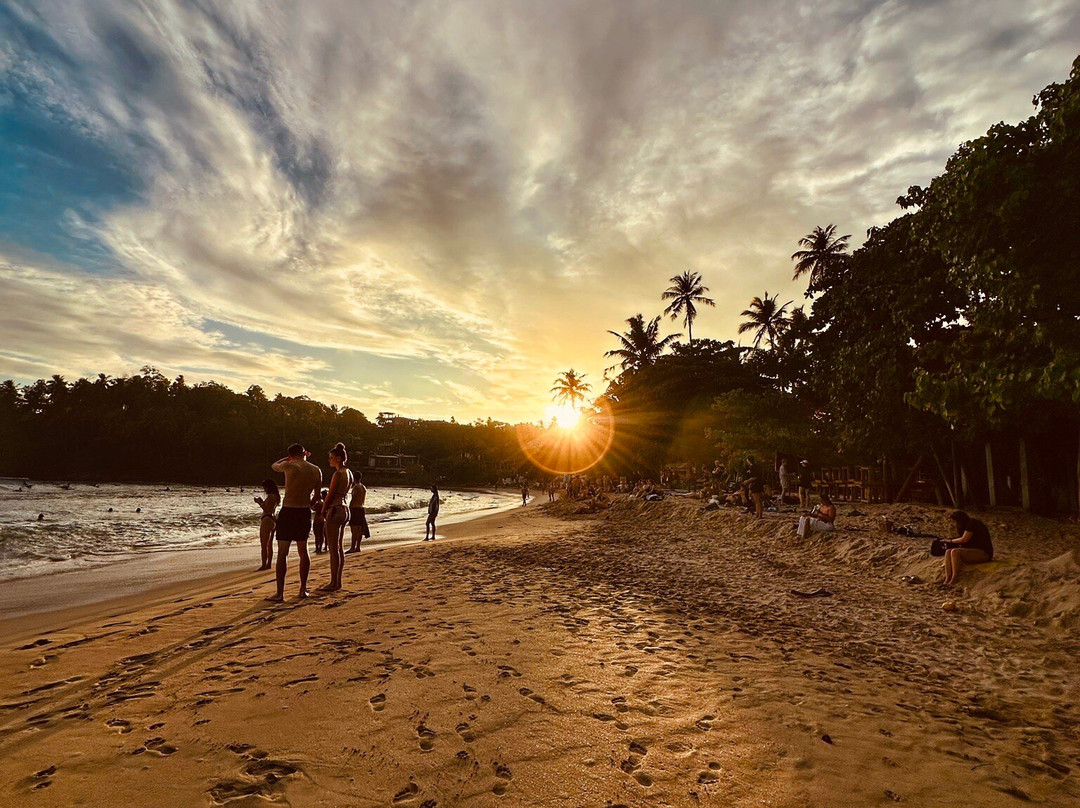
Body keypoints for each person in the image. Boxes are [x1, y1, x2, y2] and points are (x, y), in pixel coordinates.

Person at [268, 443, 322, 601]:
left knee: (282, 553)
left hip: (289, 510)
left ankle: (280, 593)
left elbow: (274, 465)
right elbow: (316, 496)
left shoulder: (289, 465)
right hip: (303, 511)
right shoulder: (316, 470)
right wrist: (309, 504)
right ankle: (303, 589)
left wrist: (288, 458)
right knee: (303, 552)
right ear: (304, 452)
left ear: (291, 455)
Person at [320, 443, 353, 592]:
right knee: (339, 548)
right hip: (345, 509)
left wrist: (323, 509)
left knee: (333, 548)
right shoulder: (349, 473)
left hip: (335, 509)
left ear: (338, 458)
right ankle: (337, 581)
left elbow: (330, 494)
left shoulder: (338, 473)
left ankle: (333, 582)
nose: (330, 461)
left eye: (331, 458)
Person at [943, 509, 994, 586]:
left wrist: (949, 541)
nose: (953, 524)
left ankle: (954, 579)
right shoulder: (964, 526)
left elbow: (964, 539)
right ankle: (947, 578)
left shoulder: (972, 523)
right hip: (973, 550)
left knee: (955, 552)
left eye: (954, 521)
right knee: (948, 551)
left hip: (984, 553)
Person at [254, 479, 280, 571]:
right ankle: (268, 564)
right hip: (272, 520)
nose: (264, 489)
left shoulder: (270, 496)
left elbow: (267, 509)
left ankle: (264, 564)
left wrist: (260, 502)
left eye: (265, 487)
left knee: (264, 544)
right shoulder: (276, 496)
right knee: (269, 544)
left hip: (267, 519)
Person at [346, 471, 370, 554]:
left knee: (354, 529)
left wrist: (349, 508)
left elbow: (353, 498)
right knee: (359, 529)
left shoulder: (356, 487)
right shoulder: (363, 487)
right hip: (361, 508)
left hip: (355, 508)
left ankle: (353, 547)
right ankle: (358, 546)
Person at [311, 488, 327, 554]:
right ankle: (320, 548)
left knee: (317, 535)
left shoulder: (318, 503)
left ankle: (317, 548)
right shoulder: (324, 503)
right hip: (323, 519)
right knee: (321, 534)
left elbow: (313, 508)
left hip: (317, 519)